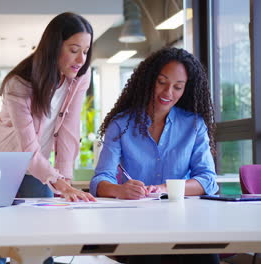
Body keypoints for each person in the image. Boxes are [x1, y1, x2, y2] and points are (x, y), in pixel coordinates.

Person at [0, 12, 96, 264]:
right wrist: (57, 181)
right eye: (74, 49)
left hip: (36, 162)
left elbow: (69, 131)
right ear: (55, 46)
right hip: (0, 158)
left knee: (41, 231)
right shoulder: (19, 83)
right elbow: (26, 146)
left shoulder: (79, 77)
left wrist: (64, 180)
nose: (81, 59)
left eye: (85, 51)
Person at [90, 47, 219, 264]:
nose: (168, 93)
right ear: (149, 80)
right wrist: (120, 190)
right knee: (148, 254)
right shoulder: (121, 125)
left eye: (178, 87)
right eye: (162, 82)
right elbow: (101, 179)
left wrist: (164, 189)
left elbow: (207, 179)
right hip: (139, 223)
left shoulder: (194, 125)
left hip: (187, 221)